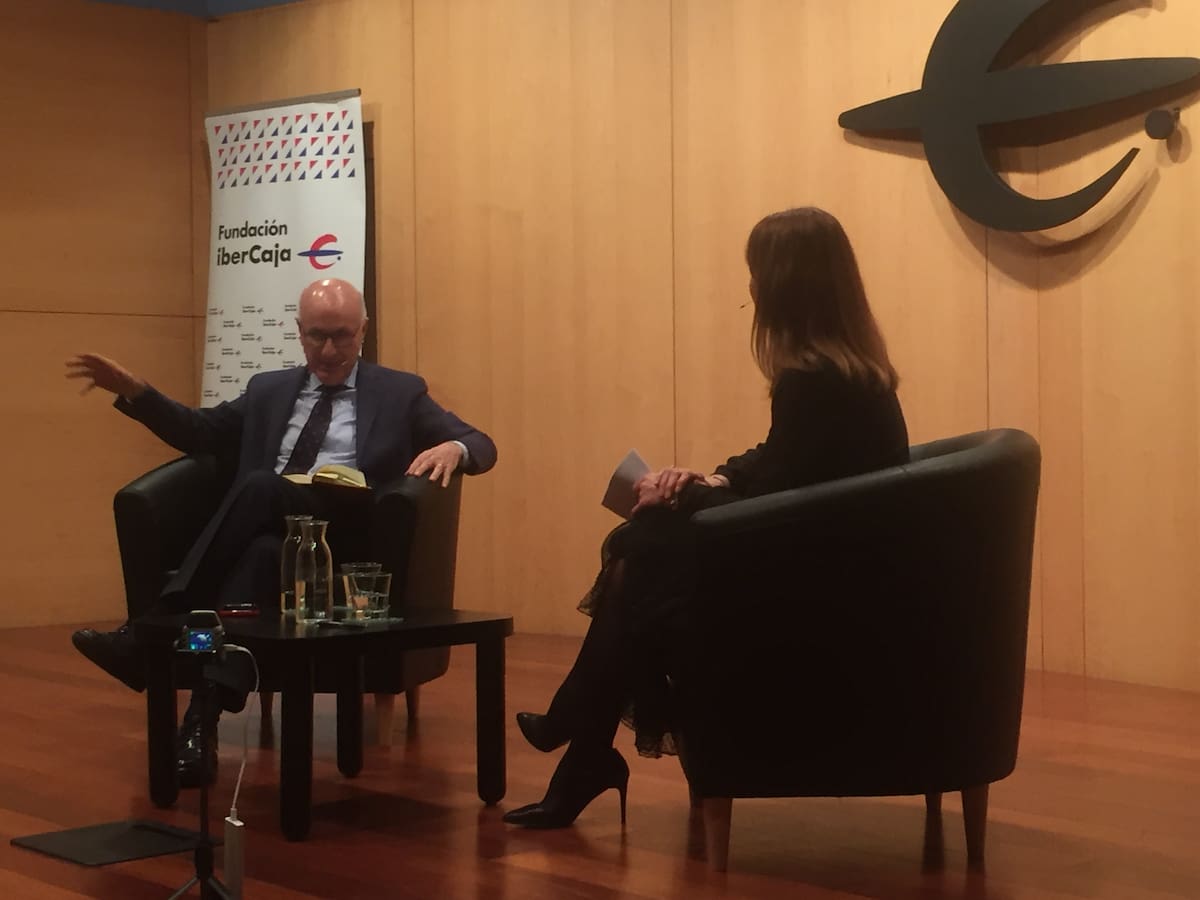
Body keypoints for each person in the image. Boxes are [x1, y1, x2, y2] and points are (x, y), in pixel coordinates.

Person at [503, 207, 909, 829]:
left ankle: (580, 734)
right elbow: (778, 463)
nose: (750, 288)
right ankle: (582, 742)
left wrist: (682, 498)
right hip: (832, 561)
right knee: (644, 559)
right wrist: (709, 480)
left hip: (819, 583)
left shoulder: (814, 383)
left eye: (757, 274)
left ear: (784, 285)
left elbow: (779, 498)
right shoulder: (848, 375)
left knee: (641, 549)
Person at [67, 277, 497, 786]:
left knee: (258, 486)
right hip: (274, 533)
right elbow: (199, 432)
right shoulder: (268, 390)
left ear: (363, 330)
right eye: (317, 336)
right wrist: (136, 392)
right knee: (259, 558)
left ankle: (148, 630)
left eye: (342, 336)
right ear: (298, 331)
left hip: (348, 537)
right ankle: (198, 730)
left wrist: (454, 448)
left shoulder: (400, 391)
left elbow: (481, 443)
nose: (329, 350)